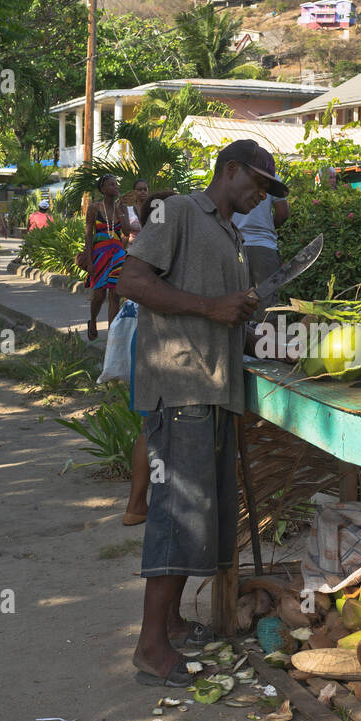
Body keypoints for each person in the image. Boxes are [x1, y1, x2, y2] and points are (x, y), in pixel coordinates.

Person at [115, 139, 287, 686]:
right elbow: (133, 281)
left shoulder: (231, 234)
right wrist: (211, 307)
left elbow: (226, 317)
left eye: (266, 190)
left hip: (215, 389)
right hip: (183, 386)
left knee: (201, 525)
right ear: (228, 169)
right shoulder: (181, 211)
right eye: (256, 183)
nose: (260, 195)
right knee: (176, 518)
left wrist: (257, 331)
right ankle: (149, 647)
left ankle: (170, 622)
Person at [122, 189, 177, 527]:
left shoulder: (144, 246)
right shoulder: (162, 248)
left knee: (150, 426)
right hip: (156, 344)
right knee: (158, 425)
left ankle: (136, 504)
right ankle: (139, 503)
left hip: (145, 343)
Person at [84, 173, 139, 339]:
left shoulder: (120, 208)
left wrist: (121, 211)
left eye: (116, 184)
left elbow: (127, 231)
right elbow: (88, 235)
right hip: (99, 254)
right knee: (99, 294)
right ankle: (93, 320)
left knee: (115, 295)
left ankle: (112, 334)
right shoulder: (94, 208)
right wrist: (89, 260)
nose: (115, 187)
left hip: (117, 254)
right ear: (102, 189)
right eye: (111, 185)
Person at [233, 159, 289, 295]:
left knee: (239, 302)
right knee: (269, 306)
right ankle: (274, 317)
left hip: (234, 247)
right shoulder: (272, 177)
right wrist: (267, 226)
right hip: (264, 246)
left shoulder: (233, 176)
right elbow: (283, 214)